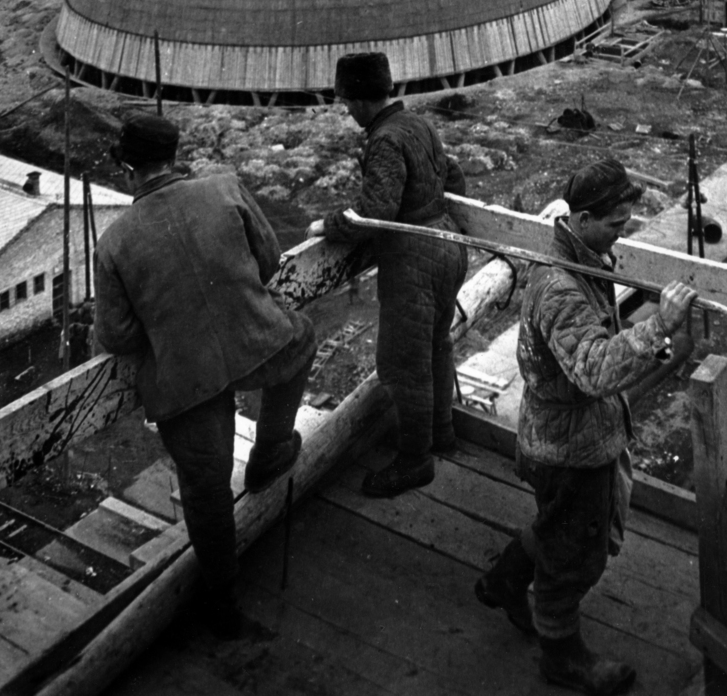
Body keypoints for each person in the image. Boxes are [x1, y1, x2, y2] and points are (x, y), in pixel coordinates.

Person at [475, 157, 697, 696]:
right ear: (582, 218)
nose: (622, 235)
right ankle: (561, 653)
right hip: (569, 446)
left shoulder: (584, 257)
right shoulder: (560, 289)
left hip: (569, 430)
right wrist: (657, 327)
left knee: (560, 525)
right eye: (616, 224)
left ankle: (504, 580)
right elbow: (594, 368)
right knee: (575, 553)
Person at [95, 112, 316, 637]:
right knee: (302, 337)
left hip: (183, 379)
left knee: (206, 489)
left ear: (128, 171)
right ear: (174, 157)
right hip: (256, 342)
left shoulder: (114, 241)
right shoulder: (225, 188)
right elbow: (269, 261)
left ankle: (222, 602)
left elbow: (118, 336)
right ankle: (270, 452)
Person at [310, 51, 468, 497]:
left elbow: (376, 212)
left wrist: (329, 224)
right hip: (448, 247)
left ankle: (415, 461)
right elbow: (454, 177)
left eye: (346, 102)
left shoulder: (382, 139)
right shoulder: (418, 123)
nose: (346, 110)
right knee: (436, 343)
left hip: (414, 259)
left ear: (362, 100)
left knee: (402, 364)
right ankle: (443, 434)